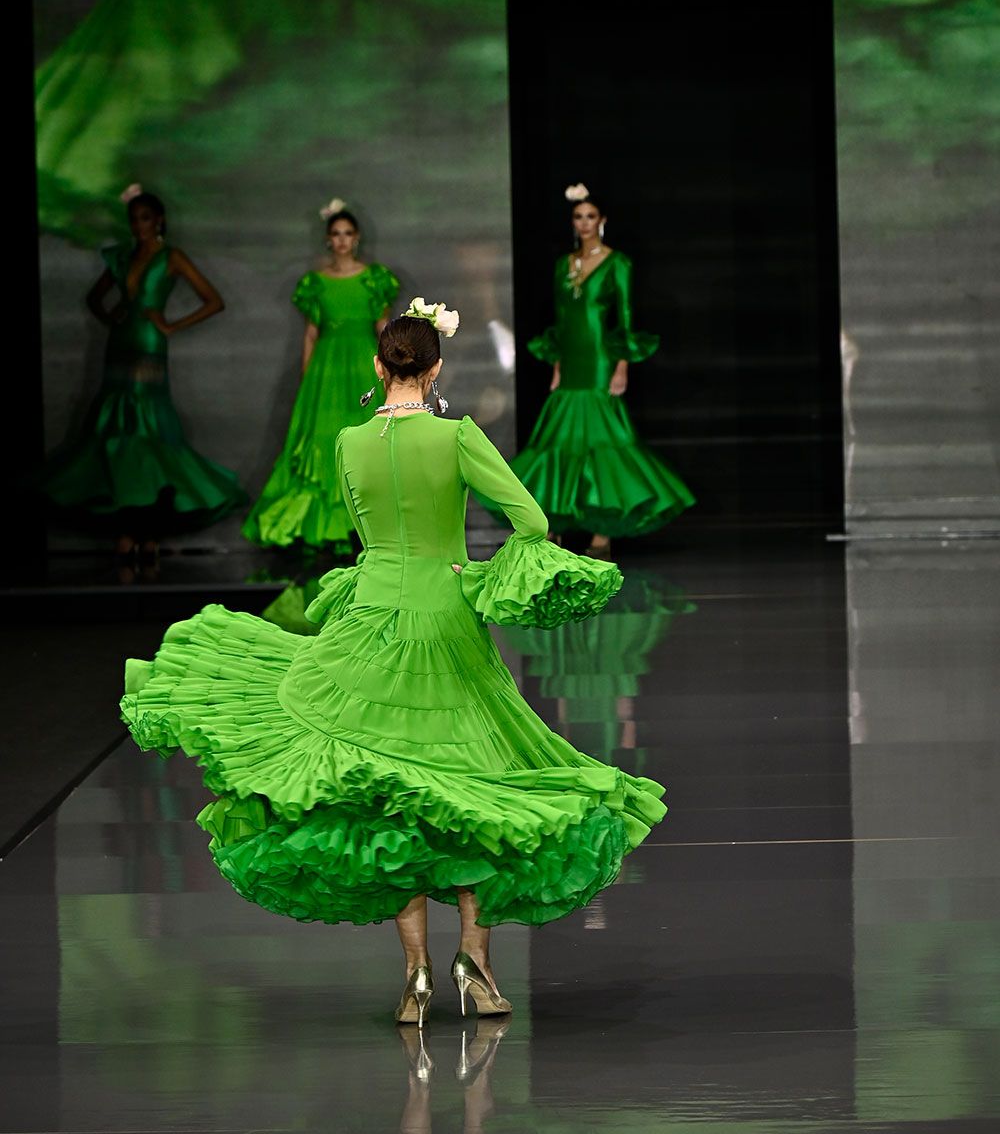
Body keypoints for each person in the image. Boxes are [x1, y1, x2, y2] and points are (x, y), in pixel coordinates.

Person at [121, 299, 666, 1025]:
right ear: (434, 370)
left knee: (389, 789)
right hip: (445, 623)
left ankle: (415, 975)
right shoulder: (457, 435)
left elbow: (364, 534)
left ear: (379, 367)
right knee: (472, 785)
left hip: (370, 619)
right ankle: (476, 965)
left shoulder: (351, 441)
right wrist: (477, 574)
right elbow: (532, 521)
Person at [41, 184, 247, 560]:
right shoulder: (123, 256)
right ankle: (132, 528)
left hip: (150, 345)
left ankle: (147, 528)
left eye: (145, 218)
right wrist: (113, 317)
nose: (139, 225)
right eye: (134, 219)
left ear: (159, 220)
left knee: (146, 431)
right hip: (120, 345)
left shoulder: (171, 256)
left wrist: (170, 325)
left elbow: (213, 300)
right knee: (118, 432)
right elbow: (94, 299)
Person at [508, 184, 694, 555]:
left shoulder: (617, 263)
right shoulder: (564, 264)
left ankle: (602, 532)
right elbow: (561, 318)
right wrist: (557, 364)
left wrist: (622, 365)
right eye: (578, 217)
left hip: (599, 361)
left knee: (601, 442)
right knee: (561, 442)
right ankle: (553, 525)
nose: (584, 223)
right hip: (571, 361)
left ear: (602, 220)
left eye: (590, 216)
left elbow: (624, 317)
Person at [242, 200, 399, 552]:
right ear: (328, 239)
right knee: (325, 440)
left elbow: (383, 327)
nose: (342, 240)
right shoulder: (316, 282)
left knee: (366, 434)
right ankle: (329, 527)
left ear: (356, 237)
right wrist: (307, 379)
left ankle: (366, 525)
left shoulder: (374, 279)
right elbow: (311, 334)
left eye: (347, 233)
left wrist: (392, 368)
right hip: (325, 371)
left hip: (363, 363)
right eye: (336, 234)